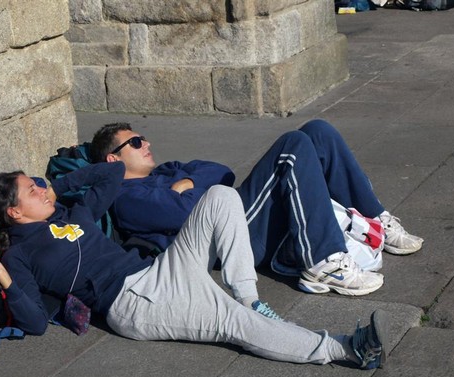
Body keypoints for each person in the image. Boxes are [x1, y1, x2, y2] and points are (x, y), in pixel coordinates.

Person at [0, 161, 390, 369]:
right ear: (14, 214)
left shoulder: (71, 216)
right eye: (31, 190)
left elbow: (111, 175)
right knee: (232, 324)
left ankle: (249, 296)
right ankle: (344, 350)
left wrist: (54, 187)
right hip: (134, 303)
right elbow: (35, 322)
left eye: (38, 184)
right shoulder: (18, 256)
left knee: (222, 199)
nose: (41, 191)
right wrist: (5, 281)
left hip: (161, 268)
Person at [90, 119, 424, 296]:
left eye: (143, 137)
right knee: (291, 146)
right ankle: (324, 262)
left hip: (235, 211)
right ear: (113, 159)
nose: (146, 143)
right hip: (229, 242)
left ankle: (375, 218)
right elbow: (184, 213)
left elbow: (220, 170)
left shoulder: (167, 170)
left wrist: (187, 184)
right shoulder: (126, 196)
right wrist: (192, 188)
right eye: (135, 142)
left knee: (316, 131)